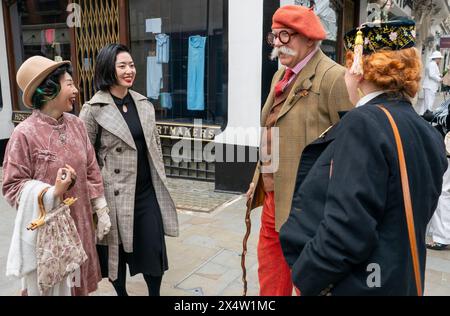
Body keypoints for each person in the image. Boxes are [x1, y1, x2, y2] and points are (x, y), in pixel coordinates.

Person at [279, 19, 448, 295]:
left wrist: (307, 277)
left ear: (359, 70)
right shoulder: (425, 131)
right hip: (398, 280)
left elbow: (346, 228)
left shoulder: (364, 124)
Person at [245, 5, 353, 296]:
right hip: (272, 200)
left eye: (286, 36)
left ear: (309, 39)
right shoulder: (280, 75)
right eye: (274, 36)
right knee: (270, 282)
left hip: (309, 209)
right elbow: (271, 128)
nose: (278, 44)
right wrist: (258, 176)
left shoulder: (334, 78)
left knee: (308, 284)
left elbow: (349, 148)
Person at [3, 56, 111, 296]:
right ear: (49, 88)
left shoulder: (77, 125)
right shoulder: (24, 134)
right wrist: (52, 192)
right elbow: (12, 186)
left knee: (79, 289)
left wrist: (100, 208)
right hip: (48, 236)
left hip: (80, 224)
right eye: (69, 84)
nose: (76, 90)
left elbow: (91, 168)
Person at [79, 44, 179, 296]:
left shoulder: (143, 103)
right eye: (122, 65)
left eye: (131, 65)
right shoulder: (93, 109)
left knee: (153, 250)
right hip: (114, 196)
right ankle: (121, 294)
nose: (129, 70)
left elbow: (153, 147)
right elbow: (85, 157)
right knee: (117, 253)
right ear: (107, 69)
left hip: (146, 192)